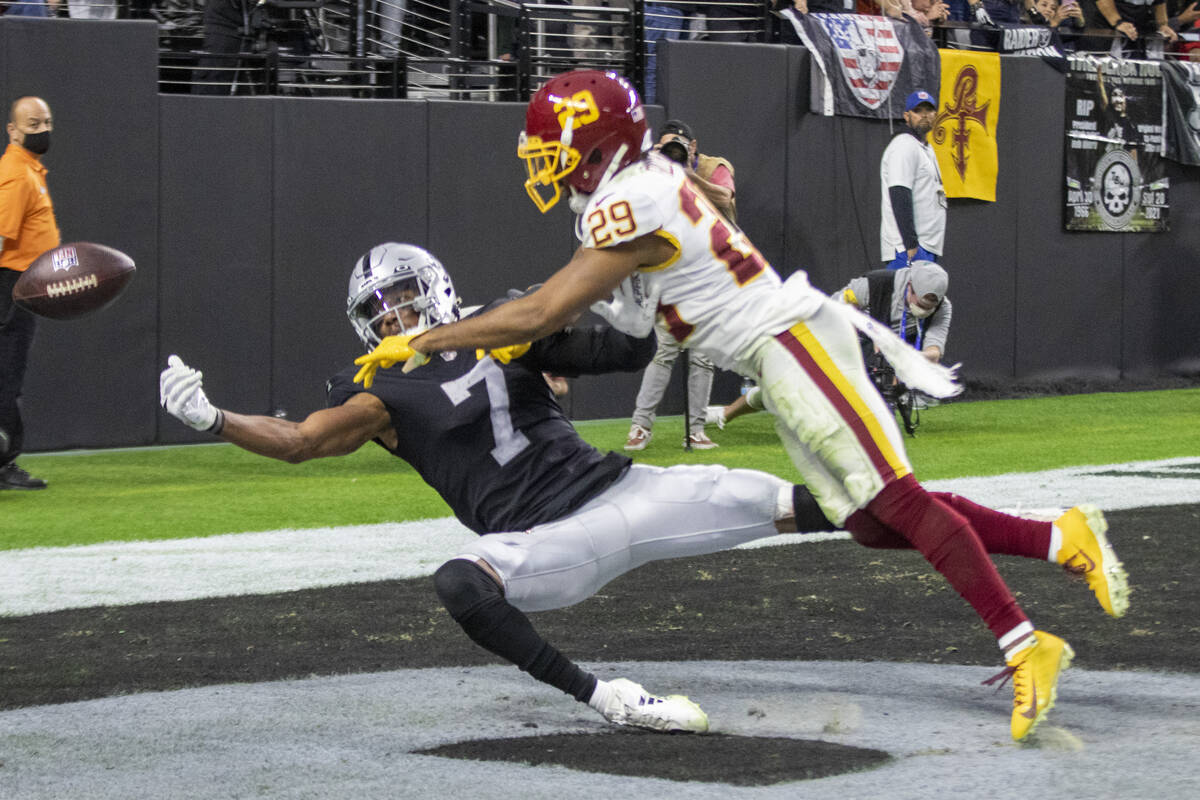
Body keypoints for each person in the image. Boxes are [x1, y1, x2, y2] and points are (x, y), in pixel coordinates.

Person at [352, 70, 1131, 741]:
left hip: (787, 340)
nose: (544, 162)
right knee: (868, 520)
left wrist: (431, 338)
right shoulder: (644, 182)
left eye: (552, 146)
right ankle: (1056, 536)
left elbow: (542, 312)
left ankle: (1025, 644)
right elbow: (652, 296)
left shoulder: (624, 201)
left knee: (896, 500)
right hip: (772, 347)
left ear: (592, 145)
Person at [160, 241, 837, 734]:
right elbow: (301, 440)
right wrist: (214, 419)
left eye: (402, 295)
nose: (394, 315)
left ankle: (913, 525)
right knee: (461, 582)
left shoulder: (505, 325)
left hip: (626, 489)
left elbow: (622, 353)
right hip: (546, 540)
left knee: (818, 503)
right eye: (379, 308)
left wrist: (637, 305)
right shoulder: (375, 385)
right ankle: (609, 698)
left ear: (434, 287)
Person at [706, 261, 952, 429]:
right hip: (843, 335)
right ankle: (725, 414)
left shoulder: (942, 308)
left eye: (930, 306)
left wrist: (910, 356)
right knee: (788, 384)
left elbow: (934, 352)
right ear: (910, 287)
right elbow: (834, 310)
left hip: (886, 357)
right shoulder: (874, 285)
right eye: (921, 303)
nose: (924, 309)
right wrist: (868, 335)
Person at [625, 119, 735, 451]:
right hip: (672, 271)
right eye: (666, 145)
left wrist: (688, 175)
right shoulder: (655, 173)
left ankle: (696, 429)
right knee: (664, 351)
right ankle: (640, 426)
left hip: (711, 270)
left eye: (678, 144)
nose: (673, 151)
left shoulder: (714, 167)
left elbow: (725, 198)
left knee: (703, 356)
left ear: (694, 146)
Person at [0, 96, 58, 491]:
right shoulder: (17, 174)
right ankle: (4, 463)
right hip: (12, 286)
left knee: (9, 374)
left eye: (47, 123)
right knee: (7, 376)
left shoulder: (29, 168)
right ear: (13, 130)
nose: (42, 130)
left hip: (23, 286)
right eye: (33, 124)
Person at [880, 90, 946, 271]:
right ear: (906, 116)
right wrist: (910, 245)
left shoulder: (925, 148)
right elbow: (899, 192)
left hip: (926, 245)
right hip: (907, 247)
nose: (924, 115)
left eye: (929, 110)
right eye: (918, 111)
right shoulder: (904, 145)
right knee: (905, 291)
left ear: (935, 114)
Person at [1096, 0, 1177, 58]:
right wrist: (1118, 22)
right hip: (1107, 31)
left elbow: (1159, 2)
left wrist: (1163, 25)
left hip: (1139, 33)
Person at [1097, 62, 1143, 161]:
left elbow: (1133, 154)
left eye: (1121, 96)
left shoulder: (1131, 125)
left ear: (1126, 100)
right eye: (1114, 95)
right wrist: (1099, 74)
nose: (1118, 100)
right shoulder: (1109, 115)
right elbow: (1102, 95)